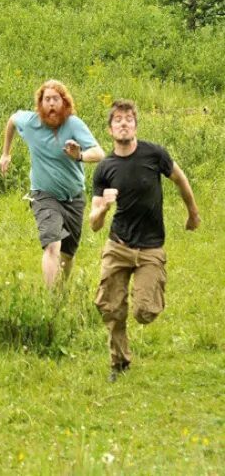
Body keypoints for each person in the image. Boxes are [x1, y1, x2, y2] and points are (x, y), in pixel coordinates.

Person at [88, 100, 201, 380]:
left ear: (135, 125)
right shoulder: (104, 168)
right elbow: (93, 224)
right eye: (117, 120)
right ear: (110, 128)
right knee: (110, 308)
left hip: (151, 247)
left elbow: (180, 179)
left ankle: (153, 289)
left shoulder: (154, 154)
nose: (123, 123)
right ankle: (119, 362)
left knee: (144, 312)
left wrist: (193, 213)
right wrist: (102, 209)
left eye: (128, 119)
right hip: (118, 246)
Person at [0, 79, 106, 288]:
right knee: (52, 246)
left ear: (64, 103)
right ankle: (50, 303)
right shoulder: (30, 122)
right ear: (40, 104)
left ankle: (60, 292)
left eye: (55, 99)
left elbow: (100, 153)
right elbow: (12, 120)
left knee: (67, 254)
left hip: (74, 197)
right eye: (46, 99)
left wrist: (80, 156)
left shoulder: (73, 124)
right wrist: (5, 154)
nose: (51, 104)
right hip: (44, 194)